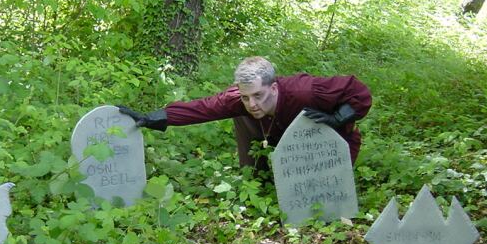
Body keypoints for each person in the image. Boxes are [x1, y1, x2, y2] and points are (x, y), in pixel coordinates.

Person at [117, 56, 372, 173]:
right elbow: (203, 107)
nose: (252, 103)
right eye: (246, 96)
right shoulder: (240, 99)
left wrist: (337, 119)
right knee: (241, 115)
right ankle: (256, 175)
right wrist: (154, 117)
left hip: (331, 144)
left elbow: (358, 92)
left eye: (258, 95)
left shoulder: (304, 91)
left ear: (273, 88)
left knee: (325, 191)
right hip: (285, 141)